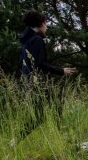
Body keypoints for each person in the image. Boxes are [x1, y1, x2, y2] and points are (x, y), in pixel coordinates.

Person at [16, 10, 76, 142]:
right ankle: (16, 140)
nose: (47, 27)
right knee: (47, 111)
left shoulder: (26, 41)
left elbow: (22, 63)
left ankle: (60, 138)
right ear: (40, 24)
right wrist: (61, 71)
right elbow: (40, 63)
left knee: (48, 110)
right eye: (46, 23)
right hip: (38, 82)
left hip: (29, 80)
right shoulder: (37, 40)